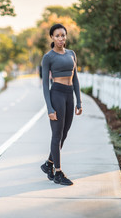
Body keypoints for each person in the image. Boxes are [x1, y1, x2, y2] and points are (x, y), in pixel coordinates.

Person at [40, 23, 83, 186]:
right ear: (52, 37)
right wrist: (50, 108)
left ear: (66, 36)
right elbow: (45, 85)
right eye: (57, 35)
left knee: (64, 133)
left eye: (63, 35)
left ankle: (48, 164)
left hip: (69, 94)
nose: (60, 38)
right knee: (56, 135)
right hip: (56, 94)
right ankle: (58, 172)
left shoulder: (72, 54)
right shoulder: (48, 57)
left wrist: (78, 101)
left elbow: (76, 78)